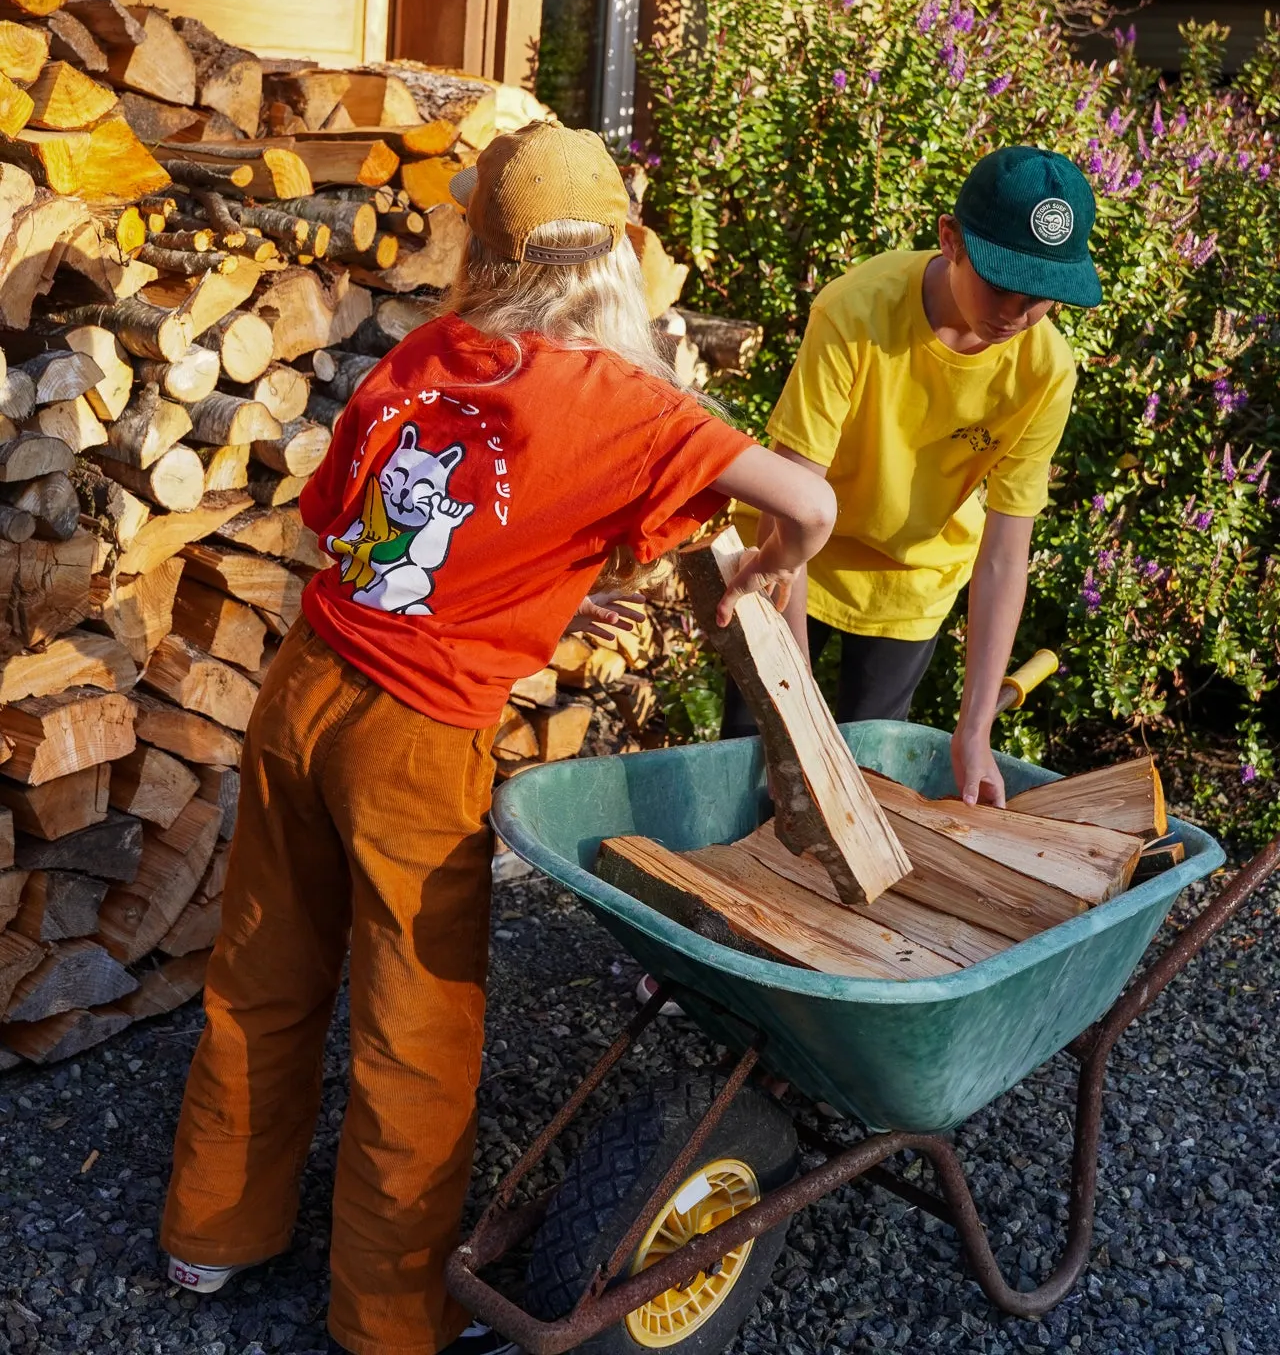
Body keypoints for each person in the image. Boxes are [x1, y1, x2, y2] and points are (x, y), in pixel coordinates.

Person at [159, 122, 836, 1355]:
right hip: (411, 744)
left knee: (263, 972)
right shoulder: (629, 404)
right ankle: (386, 1320)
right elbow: (810, 497)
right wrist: (764, 567)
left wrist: (542, 586)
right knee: (415, 1032)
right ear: (626, 255)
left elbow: (364, 534)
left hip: (301, 688)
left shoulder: (428, 350)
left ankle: (211, 1235)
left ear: (479, 249)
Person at [722, 146, 1100, 808]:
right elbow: (790, 498)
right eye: (1001, 282)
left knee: (859, 785)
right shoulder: (855, 314)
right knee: (761, 761)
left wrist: (974, 728)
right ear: (950, 239)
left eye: (1042, 297)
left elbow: (1006, 555)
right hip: (788, 554)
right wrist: (795, 691)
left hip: (911, 582)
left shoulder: (1044, 370)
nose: (1018, 311)